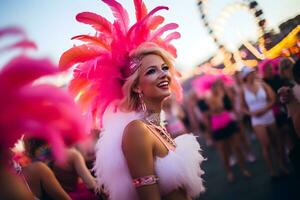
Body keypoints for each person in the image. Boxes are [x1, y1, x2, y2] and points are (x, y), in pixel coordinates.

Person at [60, 1, 205, 199]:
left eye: (164, 67)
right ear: (136, 86)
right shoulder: (137, 131)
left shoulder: (155, 126)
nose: (164, 74)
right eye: (152, 71)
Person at [240, 66, 289, 177]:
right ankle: (272, 170)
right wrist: (252, 113)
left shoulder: (262, 84)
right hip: (256, 119)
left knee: (276, 142)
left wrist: (264, 109)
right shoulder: (243, 90)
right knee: (265, 144)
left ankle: (281, 165)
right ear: (245, 76)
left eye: (253, 72)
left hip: (268, 115)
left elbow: (273, 98)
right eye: (250, 73)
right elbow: (241, 107)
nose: (252, 74)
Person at [205, 78, 251, 182]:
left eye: (220, 86)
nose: (219, 88)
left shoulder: (224, 94)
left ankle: (244, 169)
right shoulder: (209, 98)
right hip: (217, 125)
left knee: (237, 148)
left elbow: (228, 105)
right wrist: (209, 133)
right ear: (213, 88)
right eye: (216, 86)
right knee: (224, 152)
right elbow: (214, 109)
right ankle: (229, 173)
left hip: (228, 121)